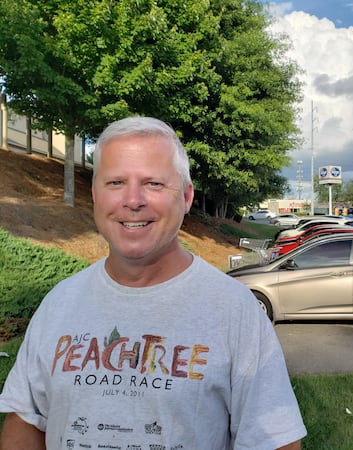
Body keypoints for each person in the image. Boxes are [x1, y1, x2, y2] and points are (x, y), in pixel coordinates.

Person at [0, 116, 306, 449]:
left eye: (153, 184)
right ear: (94, 194)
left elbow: (274, 440)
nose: (132, 200)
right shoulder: (59, 303)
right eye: (115, 182)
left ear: (187, 197)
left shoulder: (236, 311)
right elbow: (26, 422)